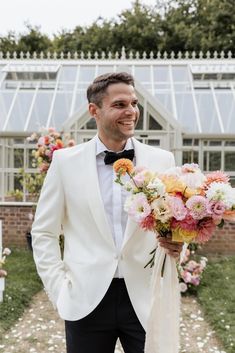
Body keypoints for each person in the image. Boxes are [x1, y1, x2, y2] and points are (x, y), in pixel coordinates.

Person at [32, 72, 183, 353]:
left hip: (145, 297)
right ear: (94, 110)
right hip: (85, 300)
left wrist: (178, 248)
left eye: (134, 103)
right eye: (120, 104)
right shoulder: (65, 162)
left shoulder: (162, 161)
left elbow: (174, 225)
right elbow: (43, 232)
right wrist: (59, 290)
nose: (131, 112)